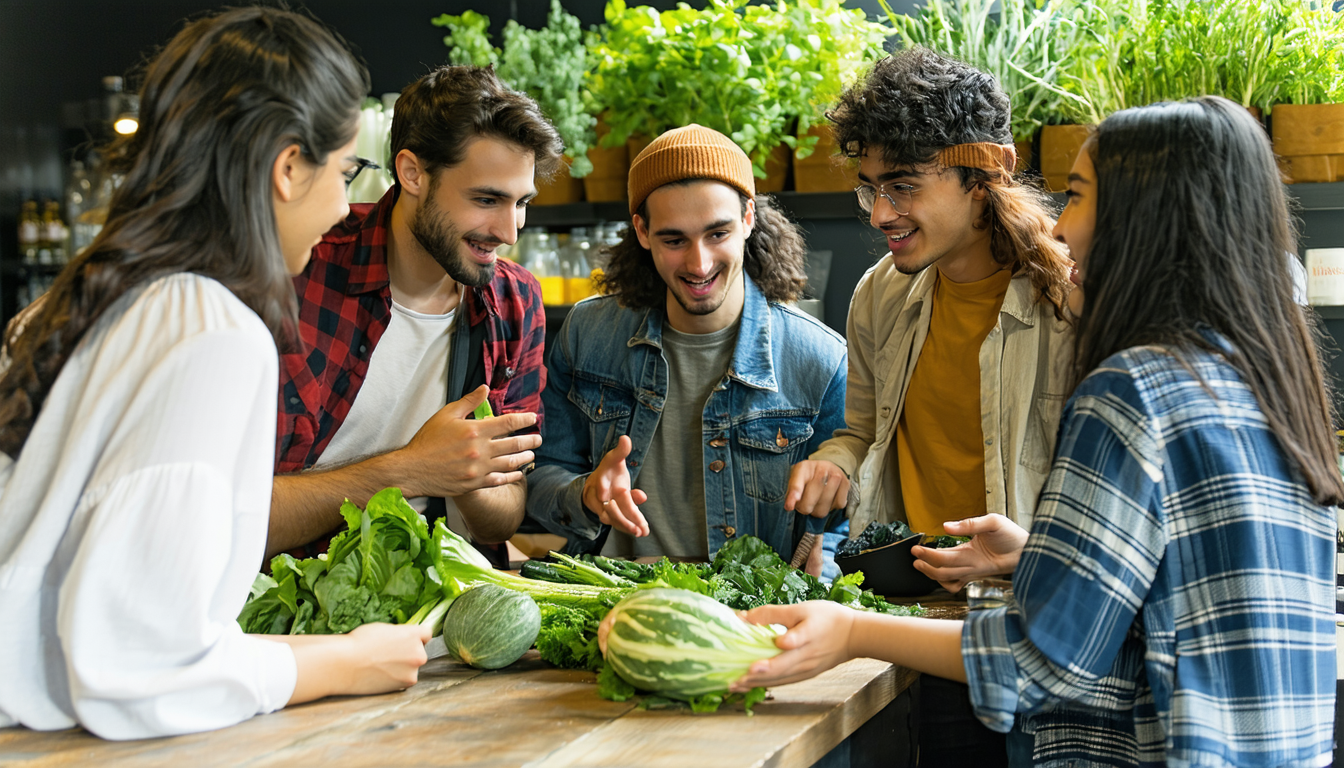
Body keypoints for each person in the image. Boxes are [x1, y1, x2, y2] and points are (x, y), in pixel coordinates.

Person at [734, 95, 1343, 768]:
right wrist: (1039, 556)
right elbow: (1185, 585)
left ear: (1146, 221)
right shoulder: (1262, 373)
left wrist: (850, 631)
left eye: (1077, 196)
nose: (1057, 228)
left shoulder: (1130, 391)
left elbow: (1044, 656)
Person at [0, 8, 430, 739]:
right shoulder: (211, 330)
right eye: (344, 170)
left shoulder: (86, 296)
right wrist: (343, 663)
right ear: (287, 168)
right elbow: (137, 672)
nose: (345, 205)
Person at [780, 48, 1073, 763]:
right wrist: (833, 461)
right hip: (909, 617)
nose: (881, 213)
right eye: (870, 188)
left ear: (989, 170)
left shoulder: (1071, 301)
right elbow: (862, 429)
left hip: (1031, 634)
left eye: (904, 186)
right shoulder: (880, 294)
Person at [266, 65, 563, 562]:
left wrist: (469, 472)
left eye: (521, 203)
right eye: (487, 199)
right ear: (412, 173)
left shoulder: (515, 300)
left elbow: (507, 513)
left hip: (448, 611)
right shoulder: (301, 274)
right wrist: (411, 469)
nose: (510, 231)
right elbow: (235, 517)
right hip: (295, 613)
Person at [526, 125, 848, 575]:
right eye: (674, 240)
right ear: (641, 230)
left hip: (749, 618)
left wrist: (823, 567)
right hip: (609, 605)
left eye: (717, 234)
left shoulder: (820, 359)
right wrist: (582, 494)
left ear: (749, 218)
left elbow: (845, 522)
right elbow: (540, 476)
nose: (699, 264)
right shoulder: (588, 334)